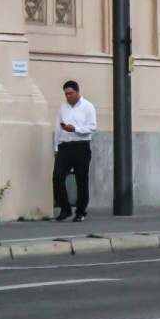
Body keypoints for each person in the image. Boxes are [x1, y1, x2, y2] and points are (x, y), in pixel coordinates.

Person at [53, 80, 97, 222]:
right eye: (66, 94)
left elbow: (91, 127)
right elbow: (57, 128)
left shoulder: (87, 107)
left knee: (81, 179)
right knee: (58, 177)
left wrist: (75, 129)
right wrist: (56, 147)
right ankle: (65, 209)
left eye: (71, 93)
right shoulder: (63, 107)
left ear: (78, 92)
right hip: (65, 146)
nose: (68, 96)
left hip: (80, 146)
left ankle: (81, 211)